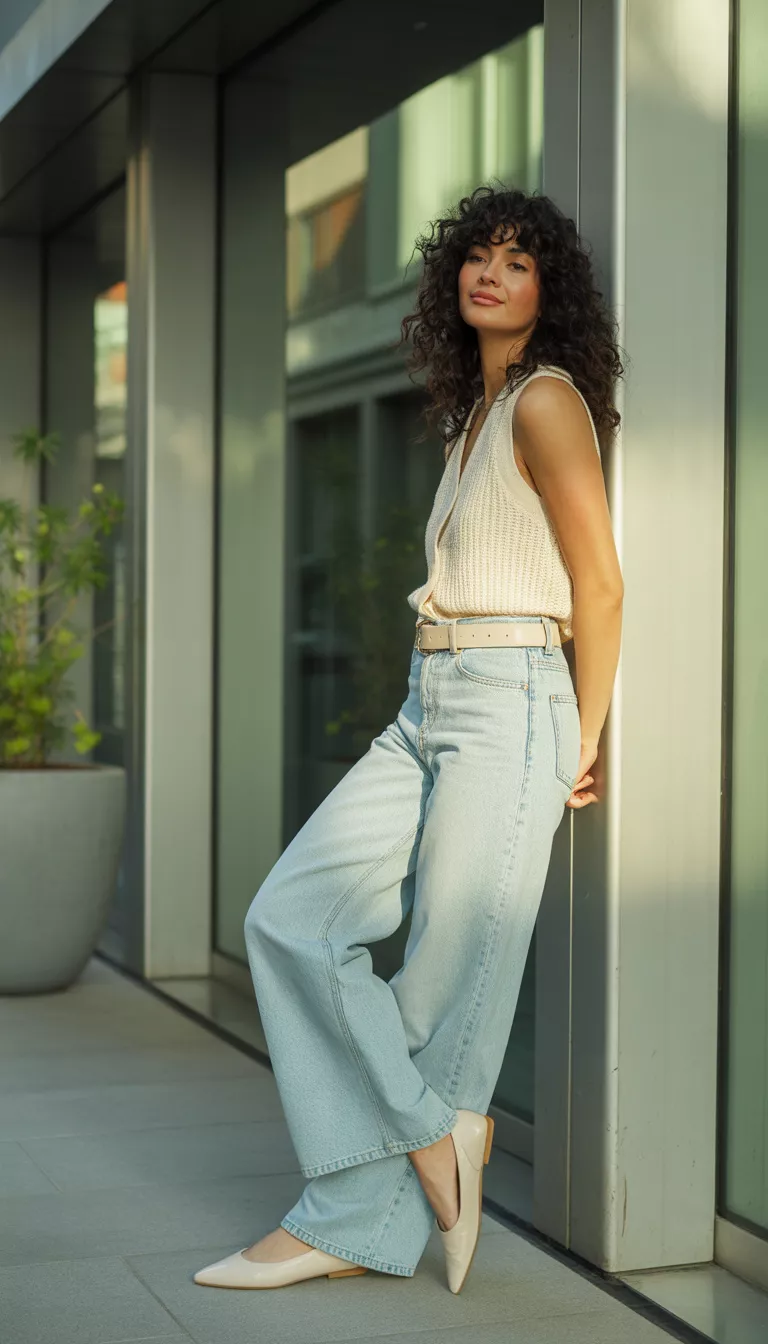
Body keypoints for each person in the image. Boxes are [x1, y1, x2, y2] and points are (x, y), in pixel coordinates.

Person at [194, 184, 624, 1294]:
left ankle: (346, 1217)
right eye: (477, 256)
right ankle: (439, 1132)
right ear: (450, 280)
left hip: (513, 696)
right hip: (428, 698)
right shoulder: (474, 416)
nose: (492, 272)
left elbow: (601, 584)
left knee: (439, 980)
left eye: (519, 261)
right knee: (291, 916)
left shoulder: (545, 403)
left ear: (549, 290)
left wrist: (584, 729)